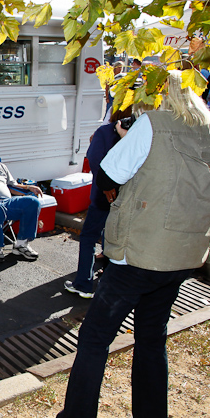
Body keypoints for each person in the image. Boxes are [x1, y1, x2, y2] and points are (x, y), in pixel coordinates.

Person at [29, 71, 210, 418]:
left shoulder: (152, 124)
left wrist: (125, 139)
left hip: (142, 251)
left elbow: (108, 173)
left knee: (94, 338)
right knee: (152, 337)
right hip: (185, 252)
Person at [63, 106, 141, 299]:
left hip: (103, 197)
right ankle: (110, 282)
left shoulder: (105, 132)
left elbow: (95, 159)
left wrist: (107, 187)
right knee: (116, 238)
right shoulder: (142, 134)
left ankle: (83, 283)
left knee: (89, 237)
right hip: (129, 197)